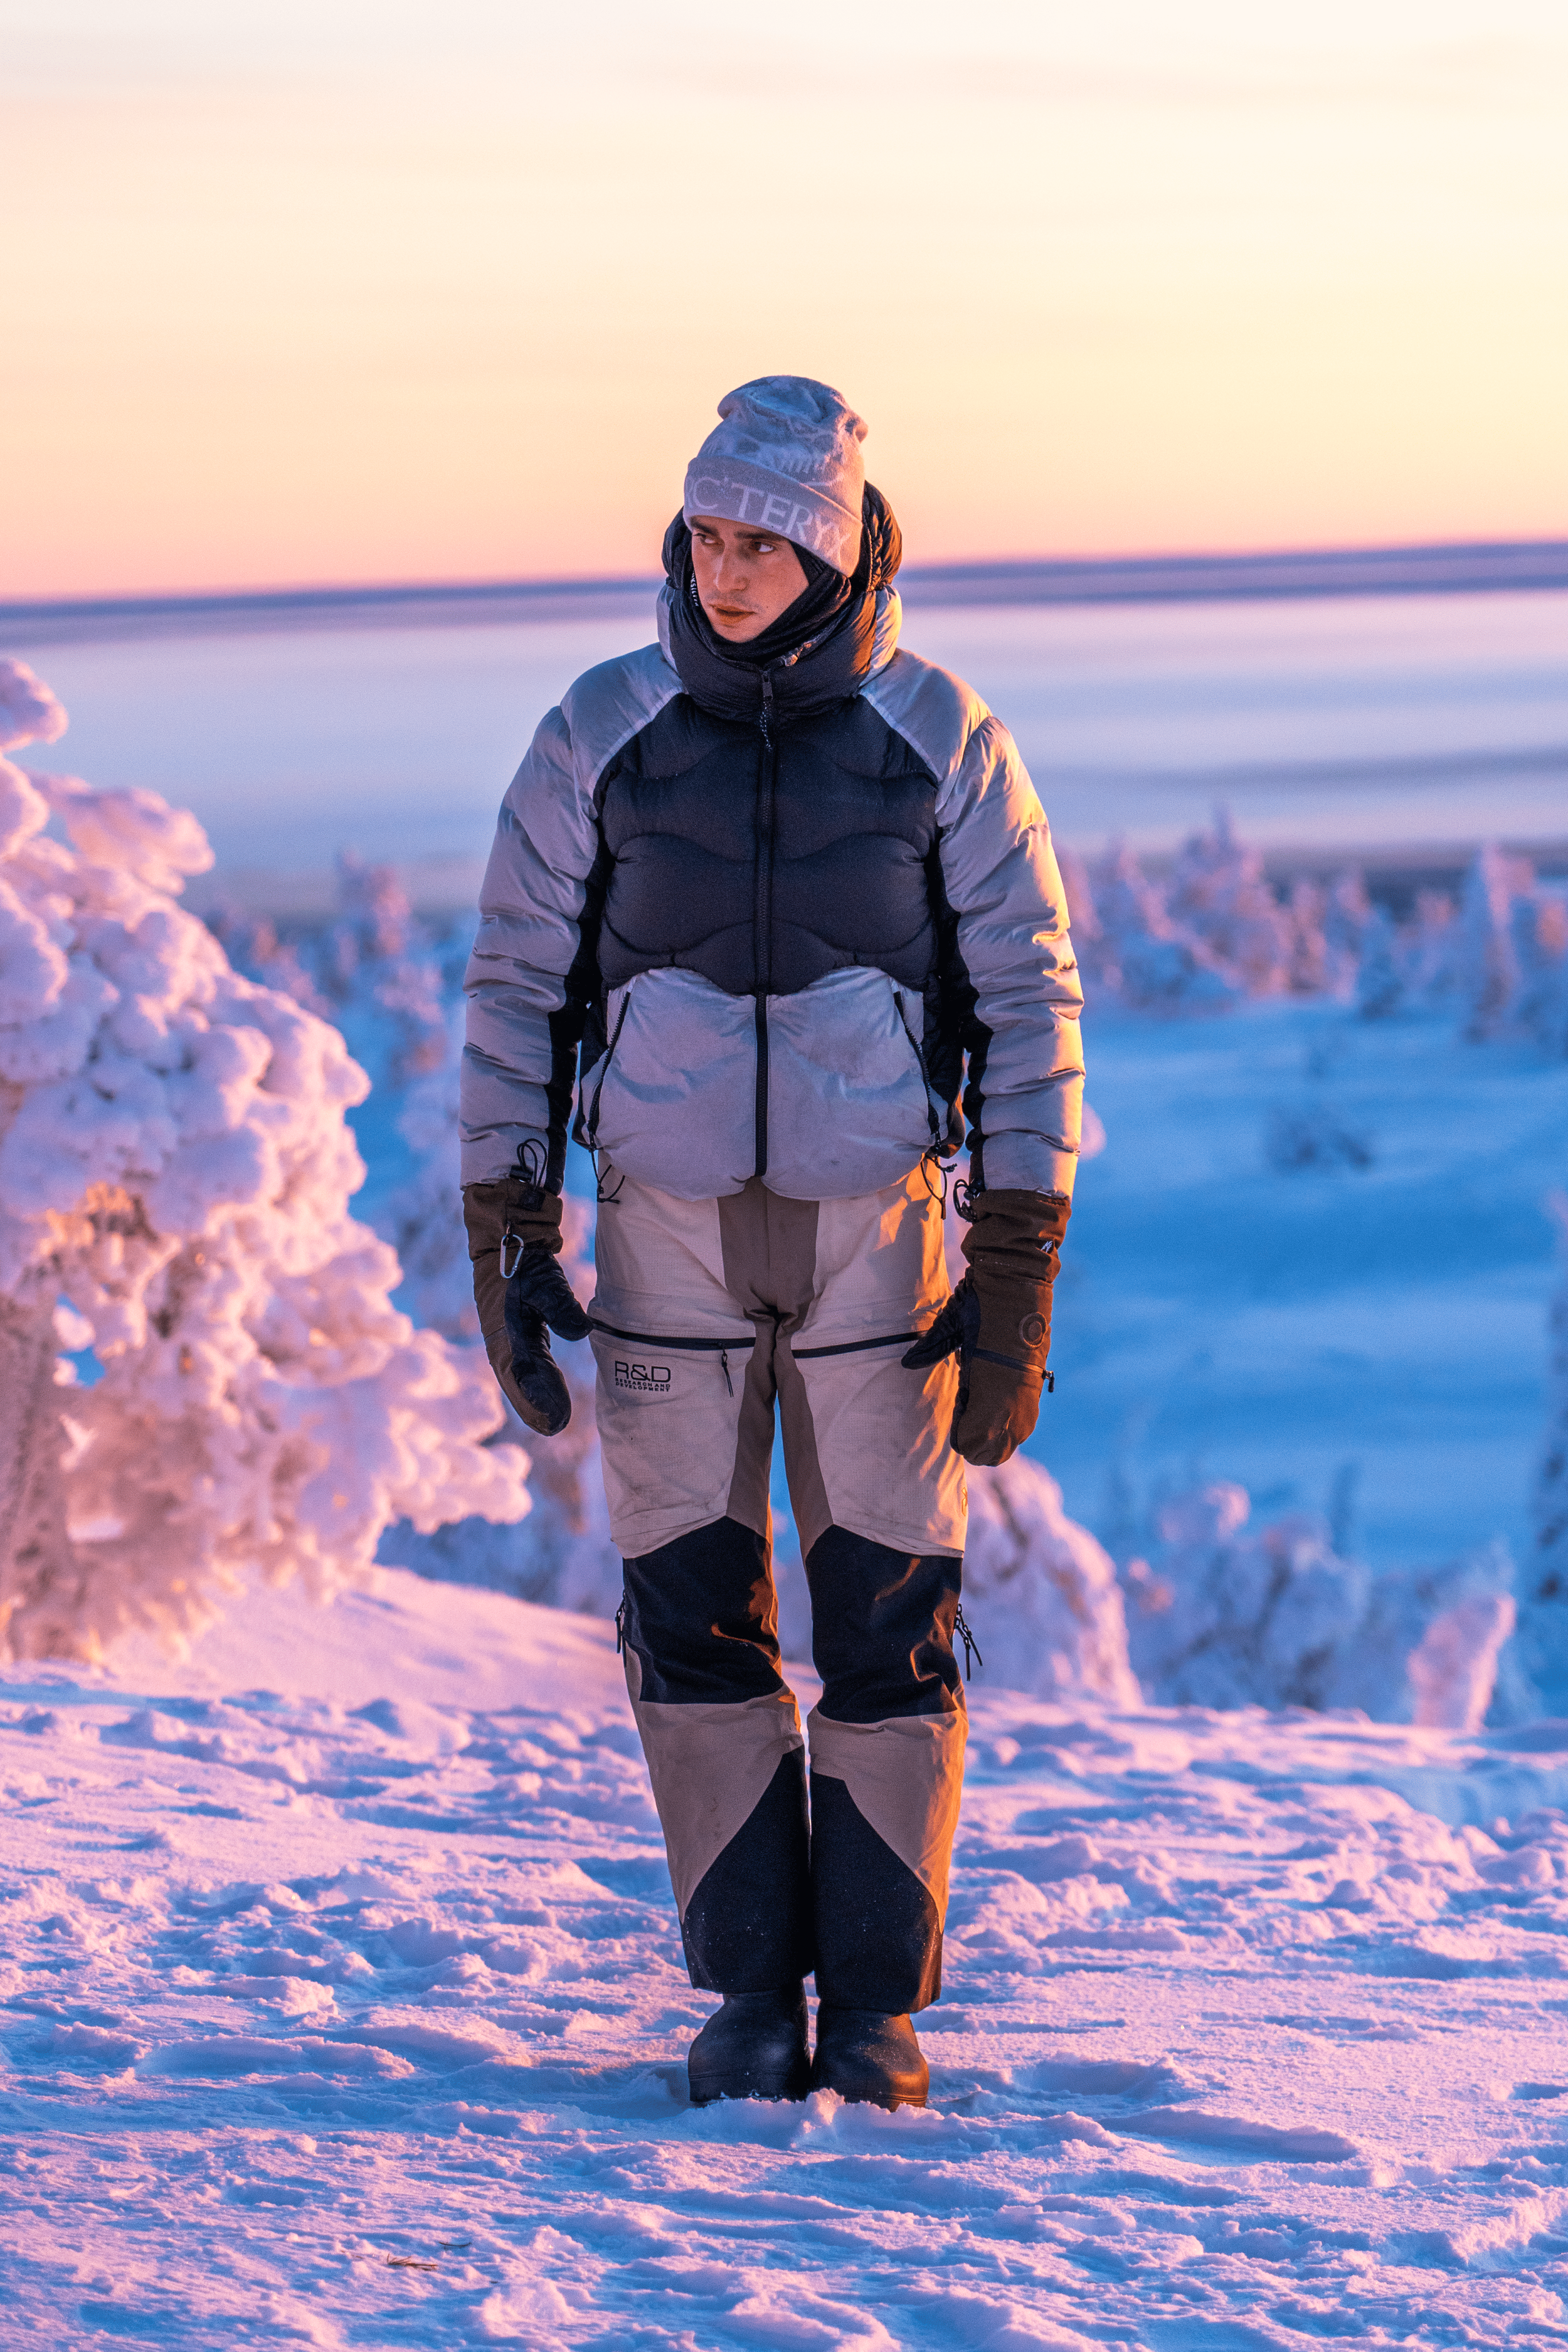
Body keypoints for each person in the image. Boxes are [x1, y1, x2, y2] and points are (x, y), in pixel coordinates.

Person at [460, 377, 1084, 2110]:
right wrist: (507, 1224)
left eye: (761, 542)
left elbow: (1030, 1002)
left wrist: (1019, 1253)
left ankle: (874, 2009)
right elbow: (515, 985)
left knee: (888, 1617)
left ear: (830, 551)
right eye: (707, 536)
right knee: (689, 1613)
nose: (724, 571)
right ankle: (749, 1992)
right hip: (660, 1233)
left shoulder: (934, 734)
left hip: (876, 1240)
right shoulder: (599, 729)